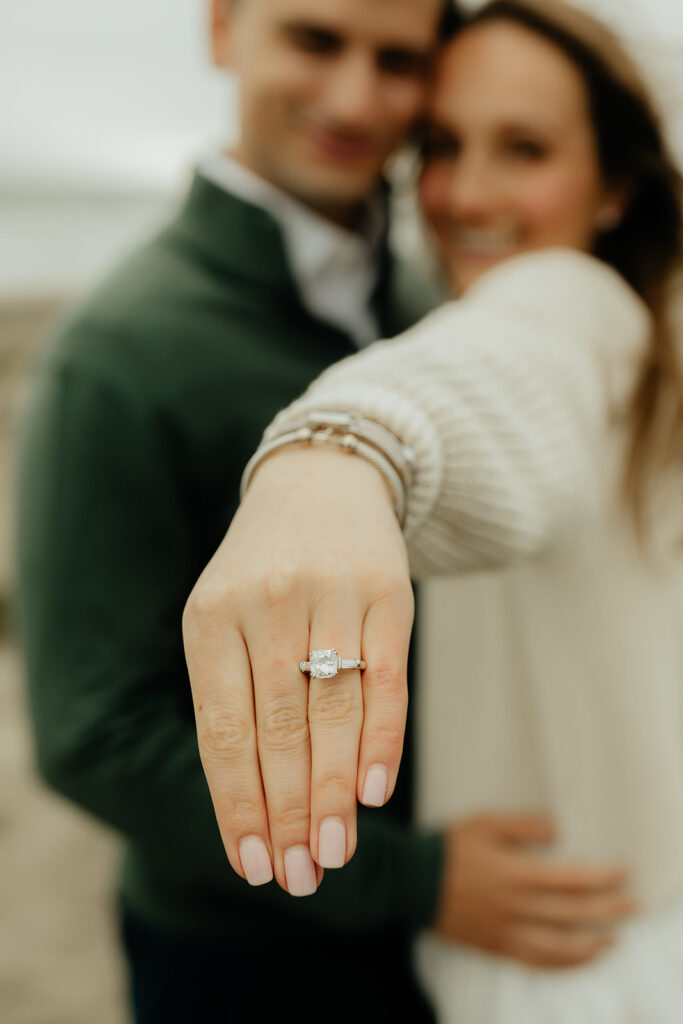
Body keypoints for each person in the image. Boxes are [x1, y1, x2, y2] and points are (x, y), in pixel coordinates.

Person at [182, 0, 683, 1018]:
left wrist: (340, 453)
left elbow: (507, 367)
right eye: (441, 147)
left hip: (576, 968)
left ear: (615, 188)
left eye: (525, 149)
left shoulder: (575, 306)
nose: (464, 193)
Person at [16, 2, 468, 1021]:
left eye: (397, 61)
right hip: (238, 956)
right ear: (223, 28)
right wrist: (418, 878)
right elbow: (90, 732)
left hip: (431, 947)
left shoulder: (415, 299)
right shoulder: (116, 351)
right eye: (314, 40)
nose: (353, 99)